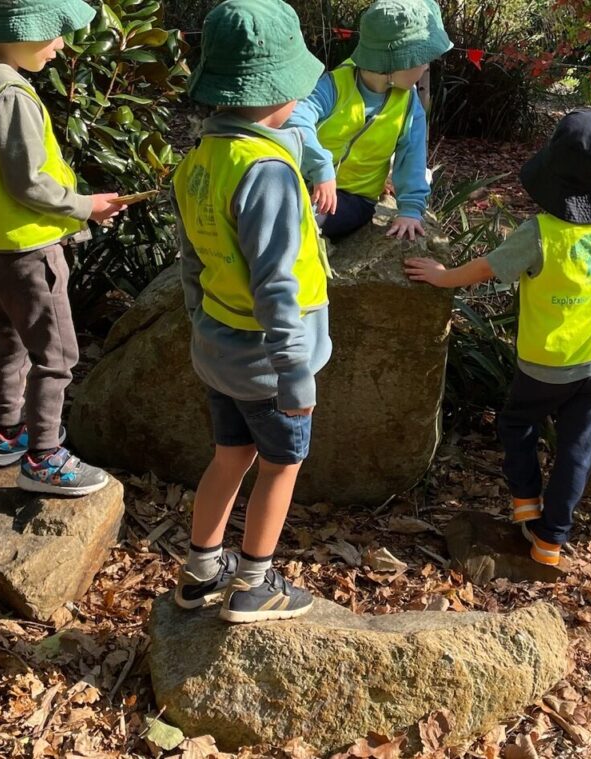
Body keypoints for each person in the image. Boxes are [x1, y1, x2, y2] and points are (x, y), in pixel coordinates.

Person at [405, 110, 591, 568]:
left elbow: (487, 268)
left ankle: (525, 501)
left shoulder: (540, 234)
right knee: (577, 448)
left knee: (517, 424)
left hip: (545, 363)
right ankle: (550, 542)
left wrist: (441, 277)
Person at [170, 0, 330, 623]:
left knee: (228, 457)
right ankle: (256, 585)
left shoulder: (202, 161)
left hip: (219, 350)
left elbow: (192, 262)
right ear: (280, 92)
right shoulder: (267, 171)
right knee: (281, 465)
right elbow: (278, 284)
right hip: (269, 364)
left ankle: (201, 572)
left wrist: (198, 327)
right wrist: (296, 374)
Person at [0, 0, 123, 496]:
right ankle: (44, 456)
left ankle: (6, 433)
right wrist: (84, 205)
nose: (61, 46)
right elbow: (28, 183)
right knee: (57, 353)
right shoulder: (13, 96)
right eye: (54, 34)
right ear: (22, 32)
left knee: (13, 338)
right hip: (30, 248)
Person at [286, 0, 451, 241]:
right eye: (421, 61)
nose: (426, 66)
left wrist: (411, 210)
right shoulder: (335, 84)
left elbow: (412, 159)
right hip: (302, 180)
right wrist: (321, 168)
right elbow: (295, 119)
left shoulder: (408, 105)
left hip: (353, 199)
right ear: (395, 65)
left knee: (303, 218)